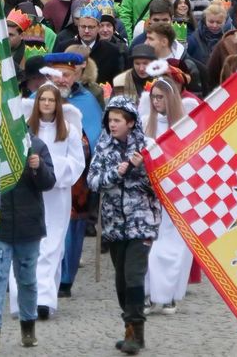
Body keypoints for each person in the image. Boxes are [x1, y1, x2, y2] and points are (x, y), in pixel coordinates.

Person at [0, 107, 57, 354]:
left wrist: (38, 166)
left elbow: (48, 182)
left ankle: (28, 327)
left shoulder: (37, 146)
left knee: (28, 280)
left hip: (28, 226)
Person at [87, 95, 161, 355]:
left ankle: (135, 330)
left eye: (117, 120)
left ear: (130, 122)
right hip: (114, 225)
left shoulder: (147, 147)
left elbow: (159, 186)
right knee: (120, 281)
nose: (112, 124)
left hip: (142, 222)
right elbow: (93, 182)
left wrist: (140, 170)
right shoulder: (103, 147)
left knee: (134, 275)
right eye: (110, 120)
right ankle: (131, 328)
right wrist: (115, 173)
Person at [10, 82, 83, 321]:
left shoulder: (69, 130)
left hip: (57, 194)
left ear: (58, 104)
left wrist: (52, 170)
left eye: (52, 100)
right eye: (43, 100)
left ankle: (44, 299)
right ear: (37, 103)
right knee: (28, 244)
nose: (47, 104)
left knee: (52, 245)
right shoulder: (25, 129)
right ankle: (23, 299)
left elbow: (77, 162)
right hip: (30, 193)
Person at [138, 75, 195, 314]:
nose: (157, 102)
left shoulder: (184, 126)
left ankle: (169, 293)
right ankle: (150, 293)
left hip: (177, 191)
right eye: (153, 98)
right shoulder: (143, 122)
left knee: (173, 245)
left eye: (160, 97)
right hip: (149, 192)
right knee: (149, 243)